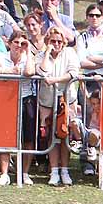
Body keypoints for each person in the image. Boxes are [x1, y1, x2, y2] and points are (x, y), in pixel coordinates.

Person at [0, 30, 37, 186]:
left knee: (28, 139)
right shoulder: (2, 57)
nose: (19, 46)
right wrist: (9, 71)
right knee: (6, 137)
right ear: (9, 43)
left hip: (26, 99)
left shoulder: (28, 57)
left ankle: (25, 173)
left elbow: (29, 72)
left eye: (22, 43)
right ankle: (4, 173)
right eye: (16, 43)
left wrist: (28, 52)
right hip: (6, 101)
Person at [37, 25, 79, 186]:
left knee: (65, 135)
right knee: (51, 136)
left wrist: (55, 80)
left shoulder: (70, 53)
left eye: (60, 41)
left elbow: (74, 72)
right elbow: (42, 72)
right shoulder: (42, 55)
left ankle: (65, 170)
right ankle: (54, 171)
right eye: (53, 41)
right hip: (47, 101)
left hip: (67, 100)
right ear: (48, 41)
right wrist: (47, 53)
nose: (57, 44)